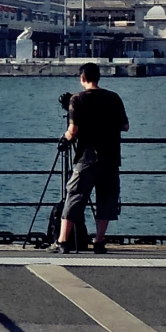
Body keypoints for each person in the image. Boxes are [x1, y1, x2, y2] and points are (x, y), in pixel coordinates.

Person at [57, 62, 128, 254]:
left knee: (74, 196)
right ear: (98, 77)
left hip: (87, 157)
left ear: (82, 78)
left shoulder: (77, 99)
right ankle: (99, 241)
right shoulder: (113, 98)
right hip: (111, 157)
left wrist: (65, 139)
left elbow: (73, 131)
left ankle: (63, 241)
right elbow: (125, 126)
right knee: (106, 198)